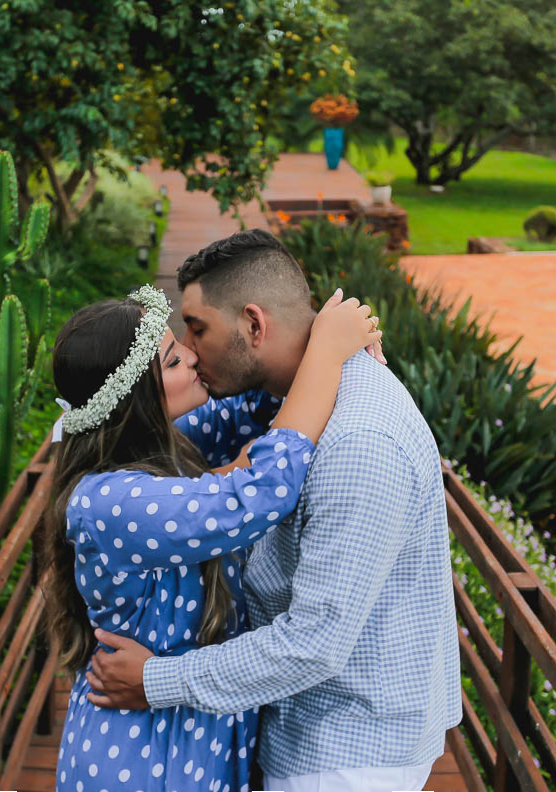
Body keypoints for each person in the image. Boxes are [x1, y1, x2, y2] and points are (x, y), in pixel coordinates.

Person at [85, 229, 463, 792]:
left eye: (197, 328)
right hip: (300, 729)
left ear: (254, 326)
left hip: (342, 755)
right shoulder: (295, 399)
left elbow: (313, 644)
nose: (189, 351)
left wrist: (157, 680)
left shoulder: (359, 441)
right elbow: (136, 428)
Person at [37, 282, 383, 792]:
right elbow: (260, 491)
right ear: (141, 398)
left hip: (195, 730)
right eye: (175, 361)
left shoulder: (164, 447)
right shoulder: (107, 501)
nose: (194, 359)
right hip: (140, 753)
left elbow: (248, 408)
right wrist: (328, 351)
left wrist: (305, 340)